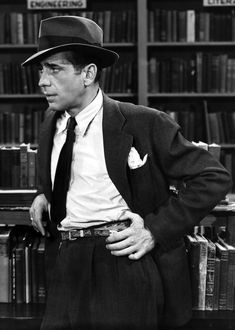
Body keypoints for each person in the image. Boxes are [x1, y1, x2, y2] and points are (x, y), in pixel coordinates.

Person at [23, 15, 231, 330]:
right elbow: (69, 169)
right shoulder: (51, 122)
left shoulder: (143, 122)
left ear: (88, 73)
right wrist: (44, 192)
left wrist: (154, 230)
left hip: (123, 261)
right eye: (41, 70)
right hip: (66, 263)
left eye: (54, 68)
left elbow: (214, 177)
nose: (42, 81)